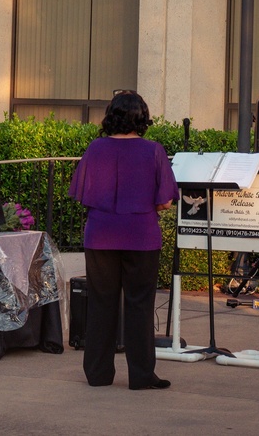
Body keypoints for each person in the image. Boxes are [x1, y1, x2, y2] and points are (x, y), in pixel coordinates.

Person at [68, 90, 178, 389]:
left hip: (100, 235)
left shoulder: (95, 148)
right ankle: (141, 376)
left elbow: (81, 193)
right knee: (140, 305)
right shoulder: (153, 150)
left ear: (111, 117)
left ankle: (99, 374)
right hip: (141, 235)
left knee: (101, 304)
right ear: (142, 118)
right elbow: (166, 201)